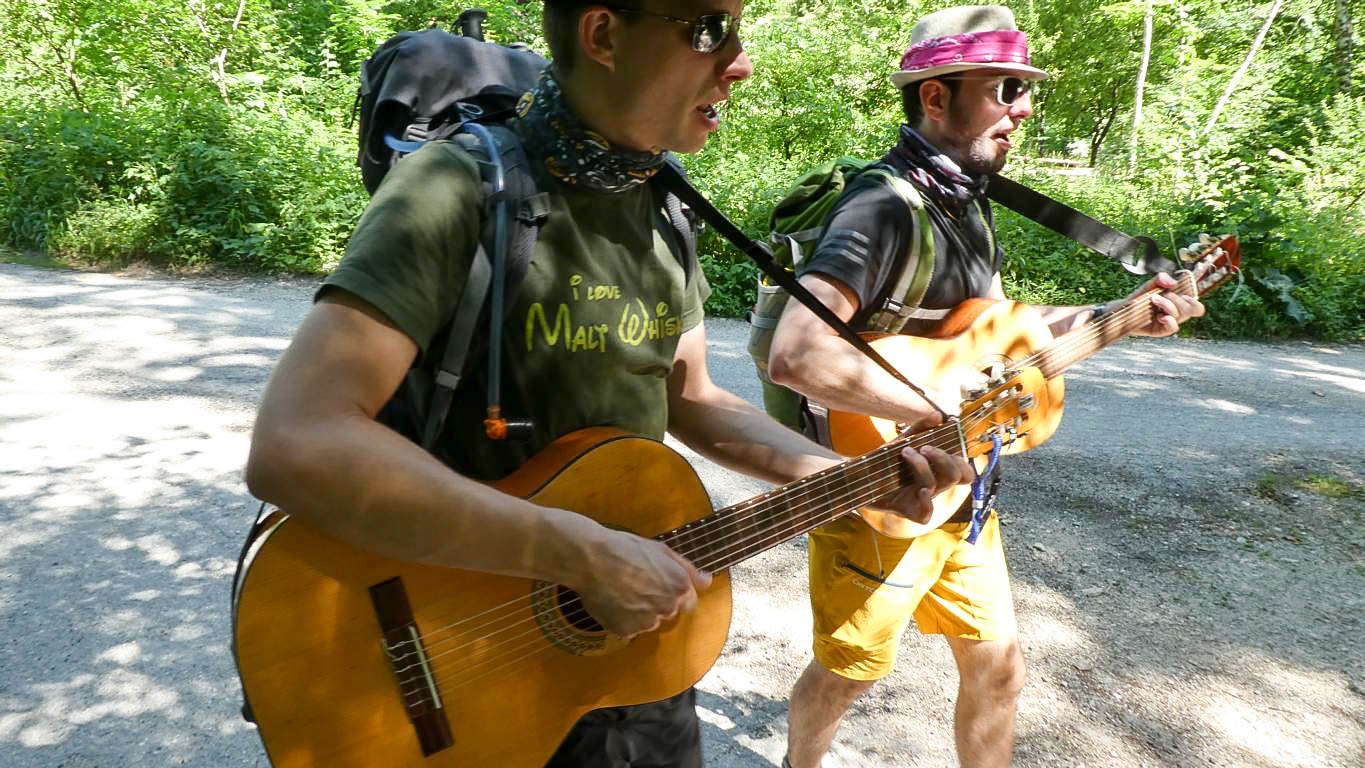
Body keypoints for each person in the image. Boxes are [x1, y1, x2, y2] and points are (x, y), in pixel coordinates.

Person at [244, 1, 974, 766]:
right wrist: (580, 557)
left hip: (627, 655)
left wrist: (846, 480)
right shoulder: (455, 188)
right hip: (458, 656)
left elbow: (690, 398)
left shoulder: (663, 205)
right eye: (709, 29)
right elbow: (298, 443)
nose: (739, 62)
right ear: (602, 34)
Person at [767, 6, 1206, 768]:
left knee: (997, 668)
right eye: (1005, 88)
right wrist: (935, 407)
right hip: (877, 485)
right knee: (848, 673)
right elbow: (795, 356)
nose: (1024, 107)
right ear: (936, 97)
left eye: (1024, 88)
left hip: (962, 482)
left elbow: (996, 331)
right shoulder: (880, 207)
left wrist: (1122, 315)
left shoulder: (965, 202)